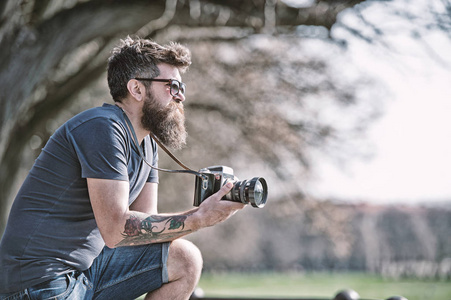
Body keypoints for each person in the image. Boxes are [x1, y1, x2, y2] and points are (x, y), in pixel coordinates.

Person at [0, 36, 245, 300]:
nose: (180, 96)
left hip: (87, 272)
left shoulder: (148, 143)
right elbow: (118, 228)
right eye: (172, 86)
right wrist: (199, 217)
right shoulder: (103, 127)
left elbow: (143, 228)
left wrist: (210, 205)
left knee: (185, 258)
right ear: (137, 89)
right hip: (40, 281)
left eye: (181, 86)